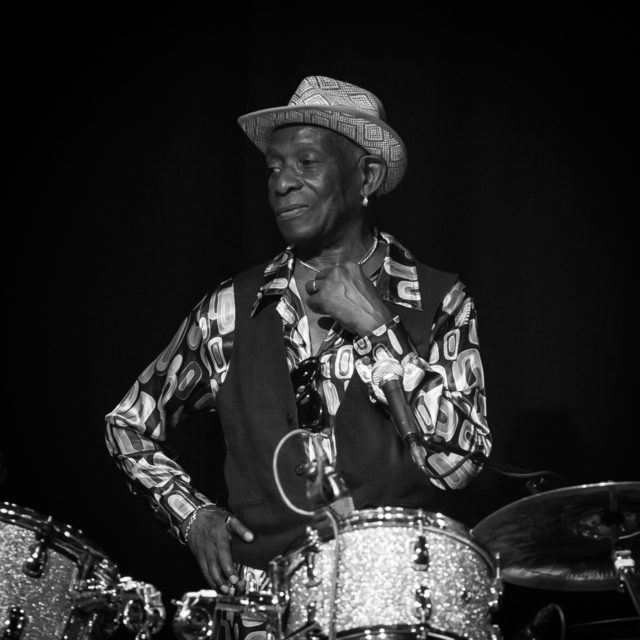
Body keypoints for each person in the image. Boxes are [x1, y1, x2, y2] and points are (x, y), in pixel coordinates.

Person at [105, 75, 491, 602]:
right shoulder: (229, 310)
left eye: (307, 163)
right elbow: (128, 425)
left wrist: (380, 330)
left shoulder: (439, 300)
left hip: (396, 602)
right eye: (273, 168)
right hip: (266, 612)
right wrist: (191, 516)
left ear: (367, 177)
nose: (282, 183)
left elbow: (459, 465)